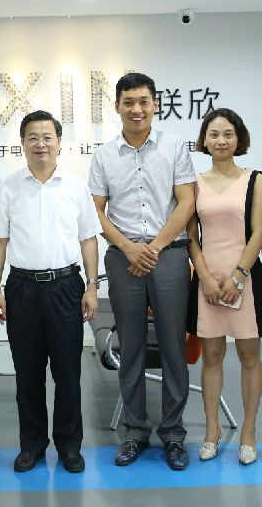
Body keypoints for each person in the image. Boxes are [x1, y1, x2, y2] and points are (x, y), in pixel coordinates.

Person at [88, 72, 196, 471]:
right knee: (129, 345)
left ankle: (173, 435)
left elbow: (186, 203)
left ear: (155, 105)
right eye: (128, 102)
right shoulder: (104, 155)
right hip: (123, 257)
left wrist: (155, 247)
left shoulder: (174, 147)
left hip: (168, 256)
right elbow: (96, 211)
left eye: (144, 101)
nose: (137, 109)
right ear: (117, 106)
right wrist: (128, 247)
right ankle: (135, 431)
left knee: (172, 346)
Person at [0, 110, 101, 474]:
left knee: (68, 373)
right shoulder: (9, 187)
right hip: (21, 288)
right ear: (22, 143)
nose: (40, 144)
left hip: (66, 286)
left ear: (59, 142)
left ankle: (69, 446)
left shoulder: (75, 186)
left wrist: (92, 286)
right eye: (33, 137)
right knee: (28, 374)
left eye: (47, 137)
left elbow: (88, 239)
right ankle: (32, 445)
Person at [185, 108, 262, 465]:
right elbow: (191, 237)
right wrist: (205, 277)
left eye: (228, 134)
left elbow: (259, 233)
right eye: (214, 134)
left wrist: (238, 277)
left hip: (244, 281)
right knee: (212, 357)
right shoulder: (193, 183)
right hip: (208, 282)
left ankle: (248, 432)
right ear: (204, 140)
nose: (221, 141)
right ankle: (212, 430)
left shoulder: (255, 180)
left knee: (250, 358)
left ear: (239, 139)